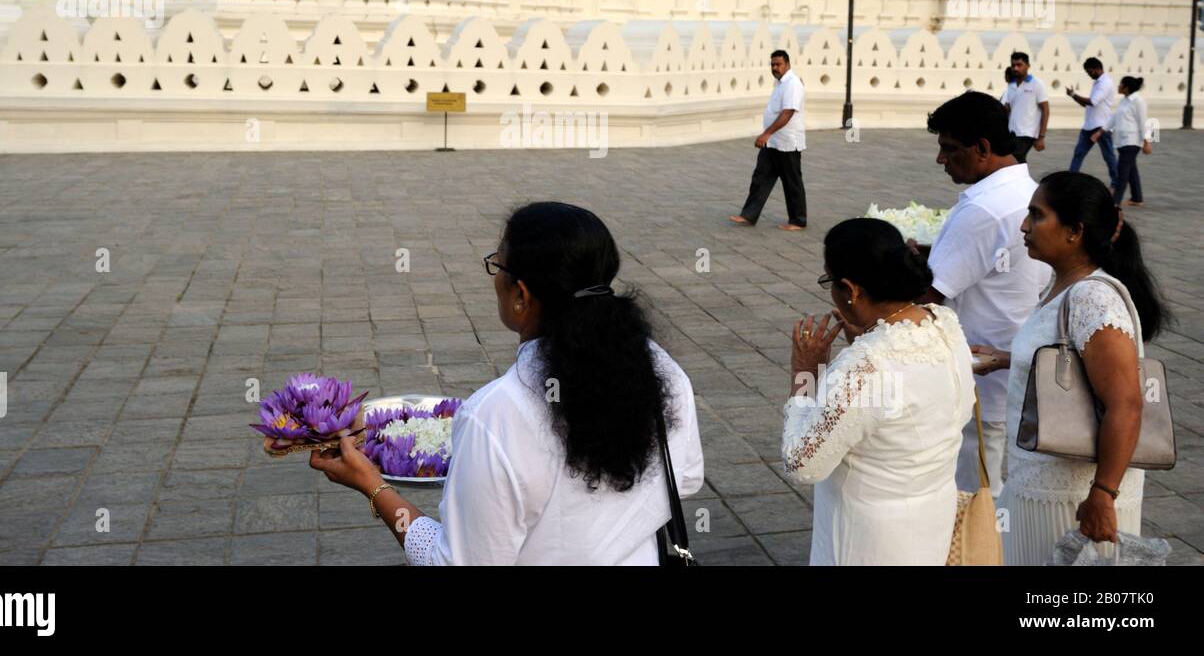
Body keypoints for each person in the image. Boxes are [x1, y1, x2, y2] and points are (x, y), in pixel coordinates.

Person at [309, 201, 704, 565]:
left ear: (521, 295)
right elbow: (685, 479)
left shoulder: (495, 416)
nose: (493, 279)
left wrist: (373, 486)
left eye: (497, 267)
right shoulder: (662, 371)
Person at [972, 172, 1170, 565]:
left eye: (1037, 215)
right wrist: (1010, 360)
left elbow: (1127, 404)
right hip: (1042, 487)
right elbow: (1074, 366)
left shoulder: (1093, 298)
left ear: (1074, 231)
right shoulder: (1064, 286)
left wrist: (1103, 494)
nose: (1025, 226)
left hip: (1074, 498)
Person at [781, 218, 974, 565]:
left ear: (850, 289)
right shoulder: (943, 323)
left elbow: (802, 464)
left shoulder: (866, 366)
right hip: (930, 515)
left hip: (868, 538)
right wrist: (865, 335)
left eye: (829, 281)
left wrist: (805, 374)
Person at [924, 92, 1049, 498]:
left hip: (979, 378)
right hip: (1009, 370)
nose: (941, 160)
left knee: (973, 498)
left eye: (949, 149)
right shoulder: (1026, 194)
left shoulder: (986, 209)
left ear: (981, 148)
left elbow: (931, 295)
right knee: (990, 491)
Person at [730, 50, 807, 230]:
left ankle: (798, 221)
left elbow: (787, 112)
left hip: (787, 142)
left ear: (787, 64)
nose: (774, 68)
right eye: (772, 64)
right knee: (761, 177)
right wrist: (769, 136)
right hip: (774, 142)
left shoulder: (792, 84)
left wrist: (766, 133)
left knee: (791, 181)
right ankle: (749, 215)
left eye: (778, 64)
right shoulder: (781, 83)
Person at [1066, 57, 1118, 188]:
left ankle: (1117, 182)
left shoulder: (1105, 83)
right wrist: (1073, 96)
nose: (1089, 75)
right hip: (1089, 125)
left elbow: (1092, 101)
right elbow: (1088, 105)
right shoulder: (1098, 83)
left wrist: (1074, 95)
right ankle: (1070, 180)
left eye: (1090, 72)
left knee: (1108, 156)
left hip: (1101, 126)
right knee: (1079, 153)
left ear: (1098, 69)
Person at [1111, 76, 1153, 206]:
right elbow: (1115, 118)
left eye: (1120, 84)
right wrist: (1101, 130)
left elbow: (1143, 122)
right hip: (1122, 141)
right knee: (1131, 170)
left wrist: (1146, 142)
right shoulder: (1124, 101)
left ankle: (1115, 202)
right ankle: (1137, 198)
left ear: (1126, 88)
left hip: (1132, 141)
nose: (1118, 87)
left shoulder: (1138, 101)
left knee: (1122, 172)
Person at [1001, 51, 1049, 163]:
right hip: (1011, 133)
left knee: (1015, 160)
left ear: (1028, 66)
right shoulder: (1011, 86)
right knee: (1015, 162)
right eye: (1013, 65)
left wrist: (1041, 137)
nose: (1016, 68)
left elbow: (1045, 110)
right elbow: (1006, 109)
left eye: (1019, 65)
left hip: (1028, 133)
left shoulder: (1037, 84)